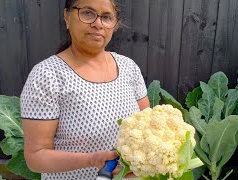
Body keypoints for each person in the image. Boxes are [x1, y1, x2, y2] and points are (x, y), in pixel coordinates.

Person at [20, 0, 150, 179]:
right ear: (67, 16)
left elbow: (148, 125)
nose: (98, 23)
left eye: (106, 17)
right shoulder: (47, 75)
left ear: (115, 23)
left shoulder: (129, 68)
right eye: (88, 13)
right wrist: (90, 160)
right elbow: (35, 157)